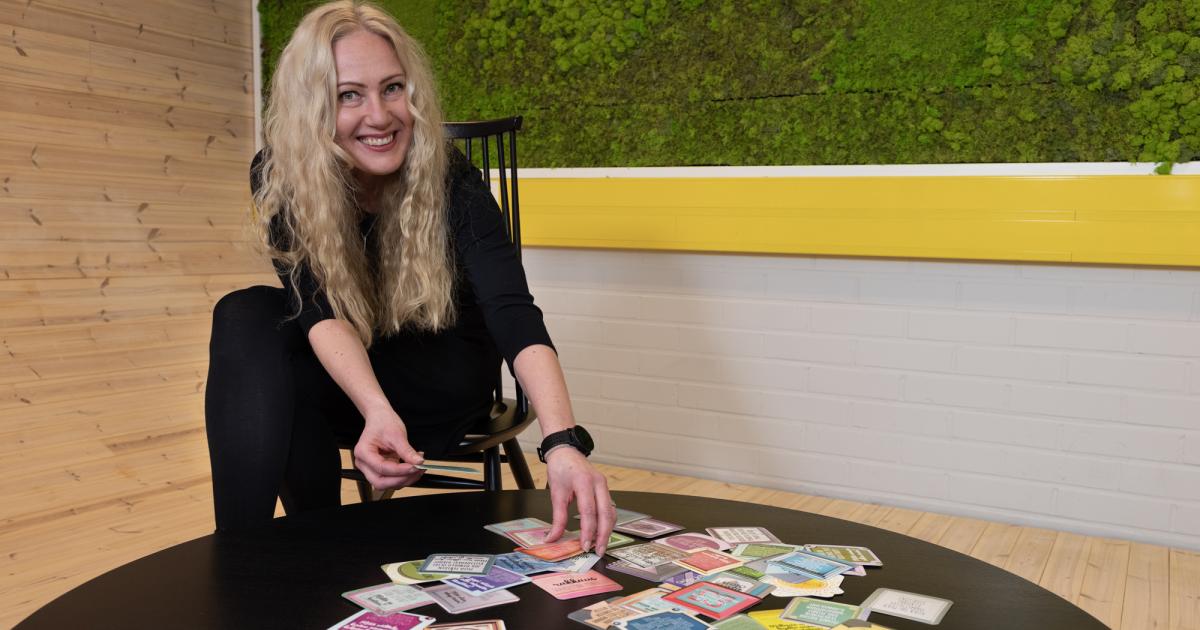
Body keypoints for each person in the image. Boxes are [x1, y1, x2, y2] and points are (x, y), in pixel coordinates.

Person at [204, 0, 615, 553]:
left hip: (441, 376)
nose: (379, 116)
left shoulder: (451, 177)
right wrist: (375, 410)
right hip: (357, 377)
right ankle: (249, 555)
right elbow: (319, 311)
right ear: (311, 107)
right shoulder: (281, 175)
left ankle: (310, 552)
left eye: (392, 88)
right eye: (349, 95)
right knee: (247, 313)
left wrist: (563, 442)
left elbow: (513, 312)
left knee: (285, 368)